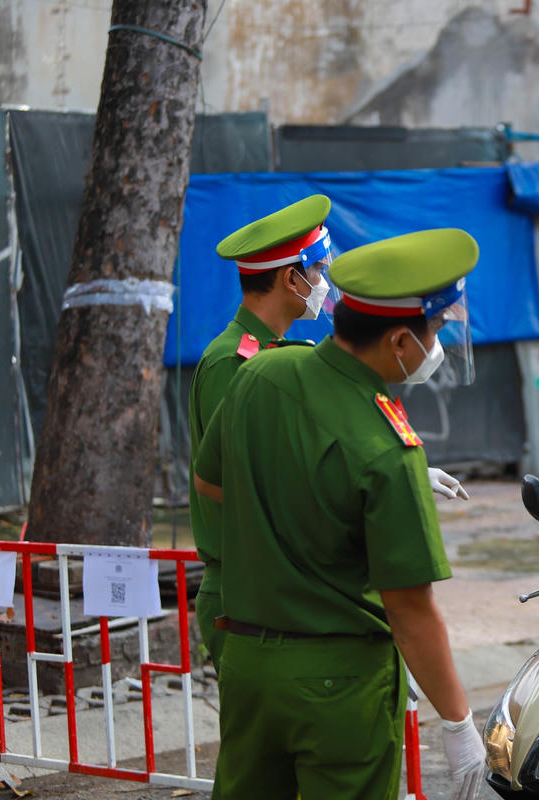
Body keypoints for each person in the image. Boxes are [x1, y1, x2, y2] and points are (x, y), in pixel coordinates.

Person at [193, 227, 486, 800]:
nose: (436, 348)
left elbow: (208, 480)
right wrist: (459, 728)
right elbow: (411, 610)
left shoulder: (260, 374)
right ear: (400, 341)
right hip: (337, 682)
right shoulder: (388, 446)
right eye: (434, 333)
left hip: (248, 664)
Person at [188, 197, 468, 669]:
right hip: (251, 592)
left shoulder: (285, 353)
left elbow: (304, 462)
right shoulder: (232, 363)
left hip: (286, 588)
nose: (323, 283)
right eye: (317, 270)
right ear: (288, 277)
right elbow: (243, 486)